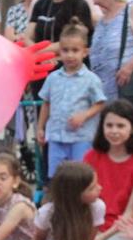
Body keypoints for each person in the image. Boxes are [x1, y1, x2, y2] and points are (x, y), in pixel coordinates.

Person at [36, 18, 106, 176]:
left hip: (81, 137)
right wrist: (41, 127)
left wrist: (84, 115)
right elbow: (46, 103)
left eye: (75, 50)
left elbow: (100, 103)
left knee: (79, 176)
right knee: (56, 175)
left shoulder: (91, 79)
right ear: (59, 52)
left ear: (85, 52)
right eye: (66, 50)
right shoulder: (53, 78)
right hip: (56, 135)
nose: (70, 55)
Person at [83, 100, 133, 233]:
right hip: (90, 225)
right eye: (109, 125)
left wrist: (104, 236)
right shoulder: (91, 157)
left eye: (120, 126)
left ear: (132, 128)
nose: (114, 131)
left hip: (124, 229)